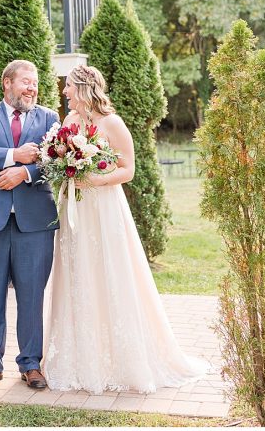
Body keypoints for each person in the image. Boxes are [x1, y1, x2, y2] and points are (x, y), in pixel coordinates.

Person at [43, 65, 208, 393]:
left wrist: (95, 178)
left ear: (85, 88)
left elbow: (128, 169)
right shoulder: (69, 123)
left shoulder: (112, 123)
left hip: (104, 208)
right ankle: (79, 360)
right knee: (78, 274)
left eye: (69, 87)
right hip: (76, 207)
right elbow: (60, 159)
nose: (64, 92)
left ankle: (123, 360)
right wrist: (67, 169)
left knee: (111, 273)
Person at [0, 59, 60, 391]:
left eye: (35, 83)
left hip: (35, 221)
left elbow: (59, 160)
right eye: (25, 82)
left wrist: (27, 172)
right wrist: (13, 157)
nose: (32, 87)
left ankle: (31, 364)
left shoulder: (50, 118)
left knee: (32, 296)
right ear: (7, 83)